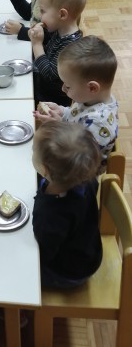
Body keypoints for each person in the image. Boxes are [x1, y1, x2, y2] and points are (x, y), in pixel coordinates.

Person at [32, 121, 102, 289]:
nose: (32, 152)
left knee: (20, 272)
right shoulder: (86, 180)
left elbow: (42, 254)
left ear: (45, 169)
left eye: (33, 150)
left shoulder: (52, 214)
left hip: (69, 272)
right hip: (89, 254)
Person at [34, 36, 118, 172]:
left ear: (92, 88)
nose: (63, 89)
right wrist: (62, 111)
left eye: (68, 86)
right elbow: (78, 114)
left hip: (79, 175)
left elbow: (75, 155)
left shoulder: (98, 123)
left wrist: (58, 125)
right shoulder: (91, 99)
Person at [29, 0, 85, 106]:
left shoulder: (70, 46)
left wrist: (37, 44)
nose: (40, 16)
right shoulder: (59, 29)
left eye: (43, 11)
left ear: (62, 15)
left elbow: (49, 74)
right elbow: (48, 52)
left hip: (53, 101)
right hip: (43, 90)